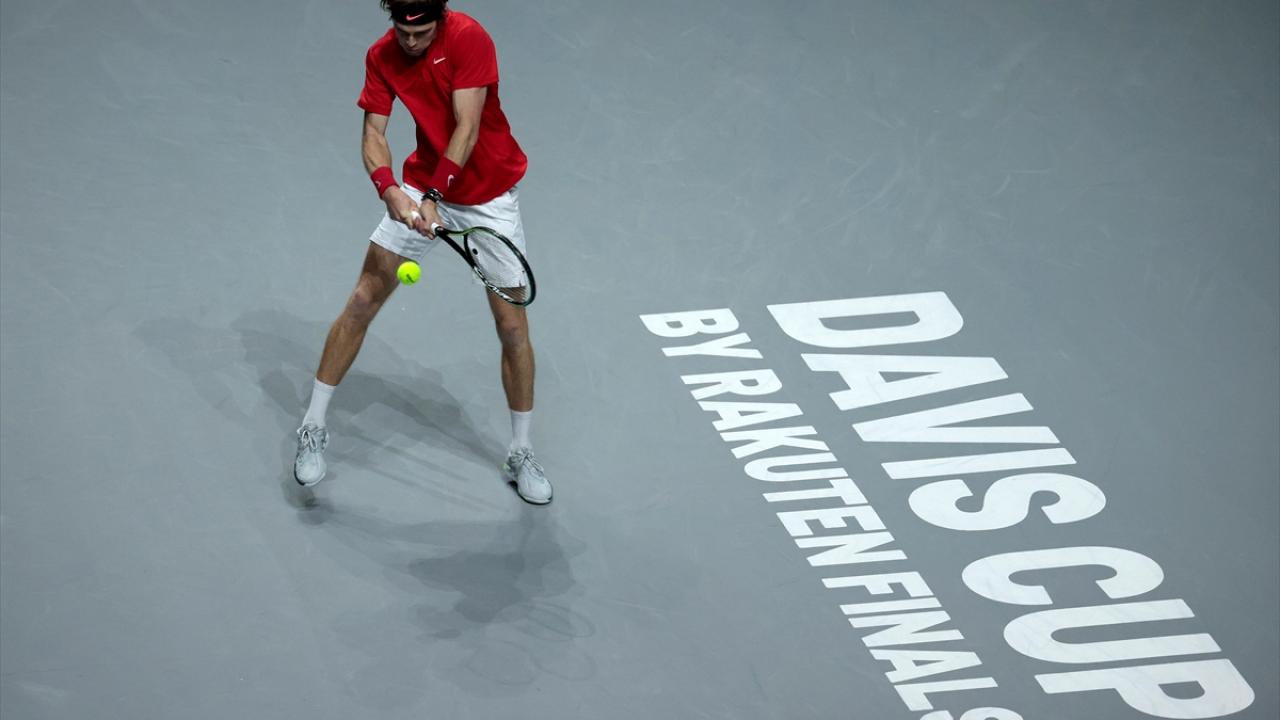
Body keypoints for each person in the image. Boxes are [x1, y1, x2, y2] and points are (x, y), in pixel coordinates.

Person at [292, 0, 550, 504]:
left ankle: (521, 451)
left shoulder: (469, 37)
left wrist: (434, 195)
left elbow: (466, 128)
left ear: (441, 17)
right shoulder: (381, 55)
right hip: (423, 184)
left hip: (487, 197)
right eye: (403, 33)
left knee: (512, 327)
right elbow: (373, 133)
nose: (411, 43)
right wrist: (389, 188)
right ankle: (313, 426)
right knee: (362, 299)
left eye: (423, 33)